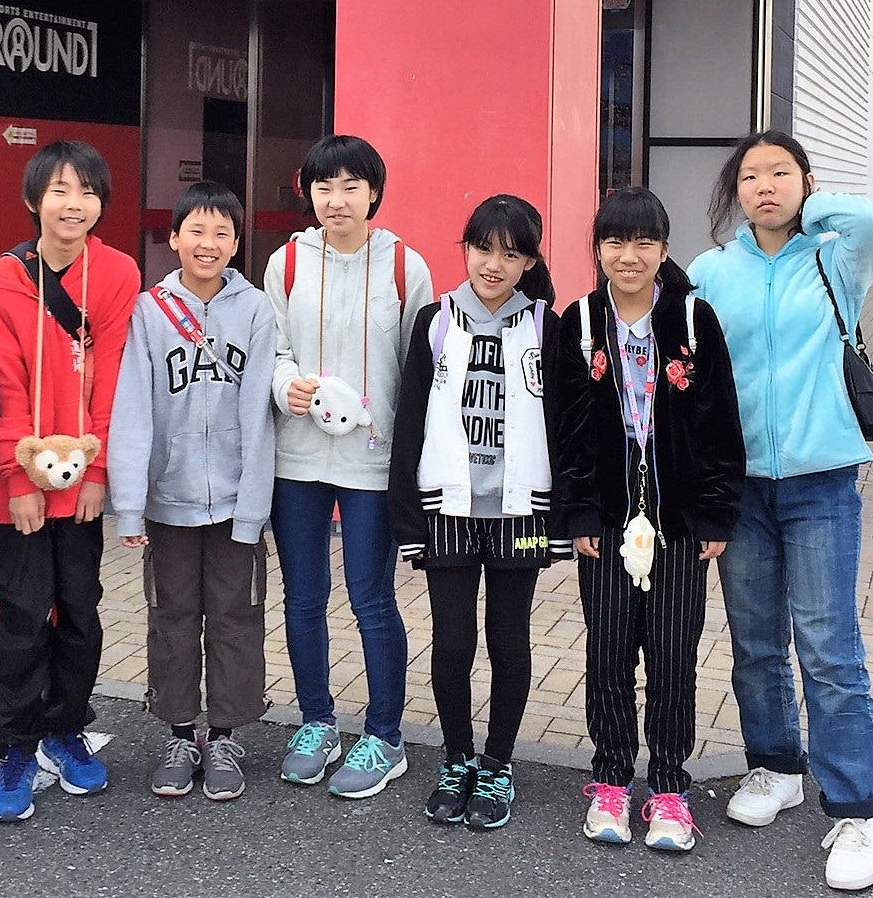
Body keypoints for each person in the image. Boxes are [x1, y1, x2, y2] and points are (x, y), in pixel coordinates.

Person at [683, 131, 873, 886]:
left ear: (807, 181)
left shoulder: (836, 258)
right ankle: (776, 766)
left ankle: (859, 809)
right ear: (733, 191)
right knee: (755, 642)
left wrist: (811, 208)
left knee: (829, 647)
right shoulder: (711, 272)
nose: (764, 186)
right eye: (750, 176)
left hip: (821, 481)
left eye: (780, 172)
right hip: (739, 486)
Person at [548, 187, 746, 852]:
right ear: (597, 249)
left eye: (643, 242)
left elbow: (720, 423)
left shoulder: (692, 319)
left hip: (679, 522)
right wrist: (577, 510)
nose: (628, 256)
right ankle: (610, 782)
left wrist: (716, 513)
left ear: (663, 249)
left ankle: (668, 789)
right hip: (606, 520)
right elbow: (567, 433)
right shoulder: (579, 322)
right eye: (614, 241)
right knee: (607, 654)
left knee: (672, 658)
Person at [264, 134, 437, 799]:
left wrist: (413, 460)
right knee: (304, 596)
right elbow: (273, 349)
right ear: (308, 193)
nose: (336, 200)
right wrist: (286, 386)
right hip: (298, 454)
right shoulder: (285, 263)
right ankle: (316, 722)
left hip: (373, 458)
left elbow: (419, 369)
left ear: (374, 193)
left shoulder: (404, 267)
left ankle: (385, 735)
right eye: (323, 187)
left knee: (371, 597)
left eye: (350, 187)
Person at [0, 139, 142, 822]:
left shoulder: (118, 272)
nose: (75, 205)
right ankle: (15, 745)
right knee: (19, 615)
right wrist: (17, 478)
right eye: (60, 191)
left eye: (89, 192)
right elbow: (1, 386)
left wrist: (99, 470)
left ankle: (65, 727)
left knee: (79, 608)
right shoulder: (1, 281)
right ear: (32, 199)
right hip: (14, 486)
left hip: (83, 482)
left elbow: (115, 377)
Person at [388, 194, 563, 833]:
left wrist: (563, 521)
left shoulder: (547, 327)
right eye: (483, 248)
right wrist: (407, 521)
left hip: (522, 512)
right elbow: (409, 421)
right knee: (453, 640)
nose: (493, 264)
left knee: (508, 641)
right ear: (465, 249)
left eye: (510, 254)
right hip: (448, 510)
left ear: (529, 261)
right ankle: (457, 759)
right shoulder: (435, 321)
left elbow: (563, 429)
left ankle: (497, 764)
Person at [104, 182, 279, 803]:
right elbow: (133, 409)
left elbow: (259, 416)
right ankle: (180, 734)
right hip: (168, 502)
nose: (208, 244)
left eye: (222, 233)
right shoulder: (150, 311)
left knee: (237, 618)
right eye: (196, 231)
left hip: (234, 503)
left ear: (237, 242)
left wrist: (254, 507)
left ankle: (225, 736)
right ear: (174, 238)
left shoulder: (256, 311)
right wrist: (130, 504)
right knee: (172, 617)